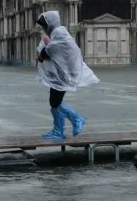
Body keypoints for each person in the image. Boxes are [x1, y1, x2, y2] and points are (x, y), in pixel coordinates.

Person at [36, 11, 96, 139]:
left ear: (51, 22)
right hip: (59, 74)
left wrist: (44, 51)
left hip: (64, 74)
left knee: (55, 102)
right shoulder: (55, 33)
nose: (44, 27)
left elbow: (51, 49)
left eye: (45, 24)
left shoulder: (60, 33)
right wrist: (44, 50)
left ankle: (76, 119)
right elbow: (49, 50)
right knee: (54, 103)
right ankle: (59, 130)